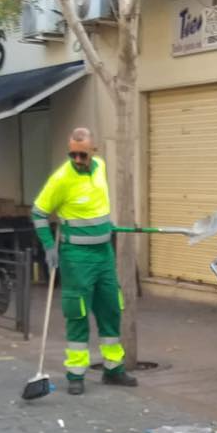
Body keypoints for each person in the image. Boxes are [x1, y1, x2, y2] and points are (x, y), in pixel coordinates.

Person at [31, 127, 137, 396]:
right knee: (77, 312)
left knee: (111, 308)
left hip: (104, 253)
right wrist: (47, 247)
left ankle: (113, 369)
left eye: (82, 155)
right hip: (77, 257)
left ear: (94, 151)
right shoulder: (61, 179)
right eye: (73, 154)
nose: (77, 160)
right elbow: (39, 213)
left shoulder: (100, 167)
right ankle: (76, 374)